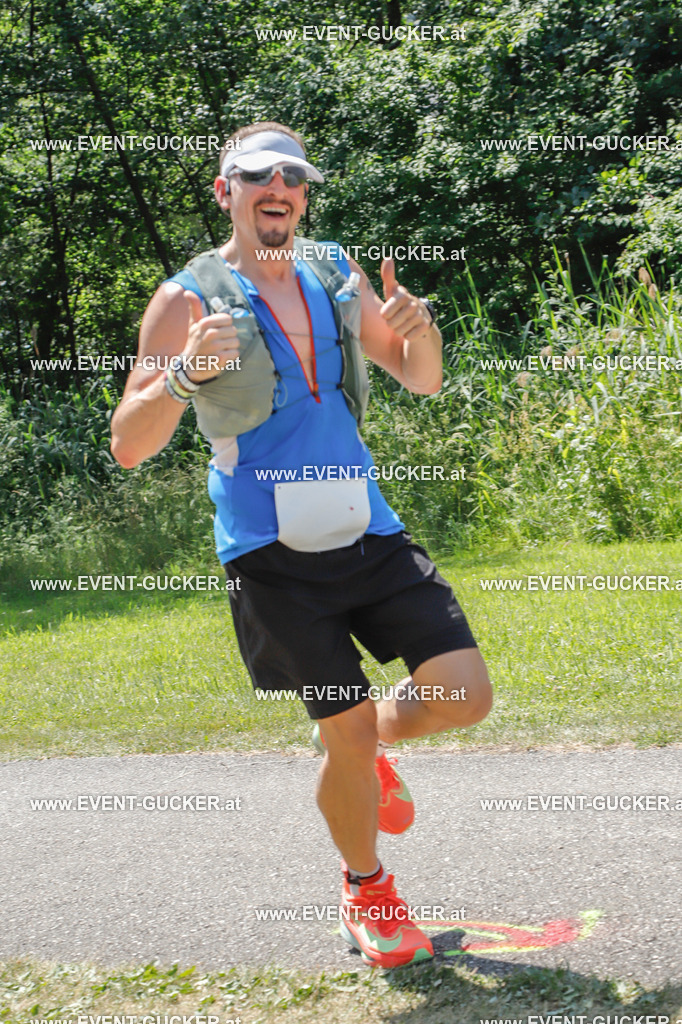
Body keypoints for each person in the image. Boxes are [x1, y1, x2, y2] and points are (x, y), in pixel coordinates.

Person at [110, 121, 492, 969]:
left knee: (465, 695)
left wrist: (419, 325)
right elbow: (129, 444)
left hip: (367, 528)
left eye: (292, 176)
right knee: (347, 731)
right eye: (256, 177)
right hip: (271, 554)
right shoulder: (185, 298)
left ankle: (358, 751)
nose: (276, 187)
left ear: (304, 194)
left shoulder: (333, 271)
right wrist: (179, 378)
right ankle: (369, 890)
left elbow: (419, 375)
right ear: (226, 192)